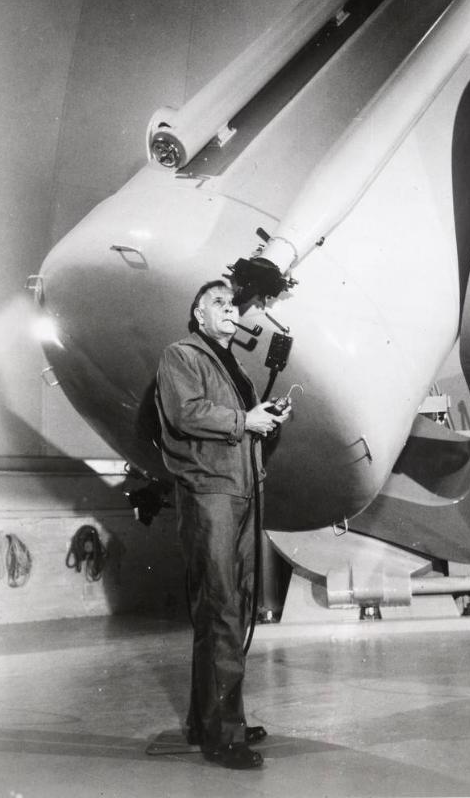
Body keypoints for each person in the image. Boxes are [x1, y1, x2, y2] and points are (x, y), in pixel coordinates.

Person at [155, 278, 289, 770]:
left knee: (232, 606)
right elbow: (186, 412)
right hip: (210, 493)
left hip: (242, 491)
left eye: (234, 305)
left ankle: (206, 719)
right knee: (222, 611)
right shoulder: (182, 356)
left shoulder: (237, 369)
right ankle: (223, 735)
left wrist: (265, 417)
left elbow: (241, 422)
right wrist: (244, 422)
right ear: (199, 314)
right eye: (219, 303)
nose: (231, 311)